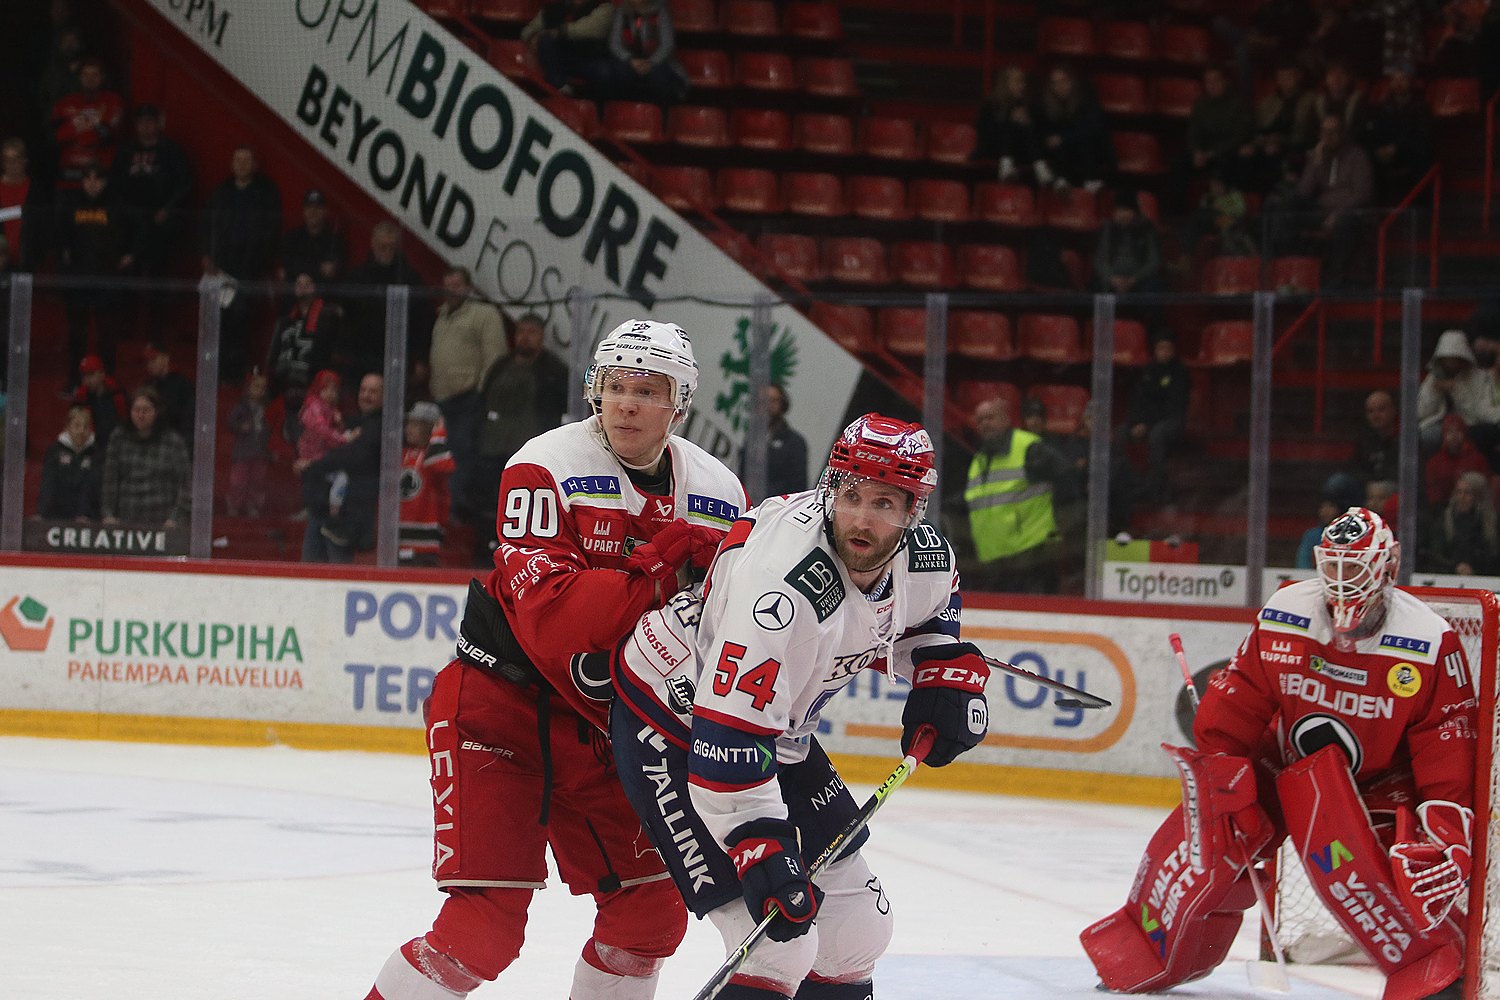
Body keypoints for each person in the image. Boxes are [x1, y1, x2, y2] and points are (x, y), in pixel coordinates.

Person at [361, 320, 747, 1000]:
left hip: (602, 726)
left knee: (650, 917)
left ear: (679, 403)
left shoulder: (719, 491)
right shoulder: (545, 465)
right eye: (613, 385)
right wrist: (656, 574)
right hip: (497, 707)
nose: (625, 402)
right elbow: (552, 621)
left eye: (647, 389)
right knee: (483, 929)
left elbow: (737, 624)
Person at [602, 413, 987, 1000]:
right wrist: (760, 846)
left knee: (856, 930)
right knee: (779, 946)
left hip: (777, 735)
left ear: (915, 512)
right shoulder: (782, 589)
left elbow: (927, 619)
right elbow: (724, 744)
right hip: (676, 724)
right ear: (830, 488)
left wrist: (942, 668)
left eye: (885, 503)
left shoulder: (926, 559)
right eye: (851, 495)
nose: (862, 518)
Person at [1082, 507, 1475, 1000]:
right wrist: (1221, 762)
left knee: (1374, 875)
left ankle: (1437, 970)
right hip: (1284, 761)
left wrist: (1443, 831)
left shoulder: (1428, 640)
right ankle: (1148, 947)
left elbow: (1447, 745)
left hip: (1375, 782)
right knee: (1210, 841)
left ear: (1387, 566)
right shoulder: (1289, 608)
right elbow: (1242, 695)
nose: (1340, 579)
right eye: (1332, 565)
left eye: (1353, 567)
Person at [473, 312, 570, 562]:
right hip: (494, 448)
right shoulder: (501, 365)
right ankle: (487, 553)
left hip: (532, 453)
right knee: (490, 503)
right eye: (520, 332)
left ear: (542, 336)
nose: (524, 338)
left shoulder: (554, 370)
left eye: (531, 332)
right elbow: (483, 402)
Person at [429, 266, 507, 522]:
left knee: (463, 454)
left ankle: (458, 509)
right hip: (442, 401)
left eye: (457, 284)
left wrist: (482, 394)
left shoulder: (483, 314)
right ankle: (441, 508)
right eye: (447, 284)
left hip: (469, 399)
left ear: (469, 287)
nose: (451, 289)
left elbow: (495, 357)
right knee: (441, 455)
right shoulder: (442, 315)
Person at [964, 394, 1063, 593]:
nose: (984, 424)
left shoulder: (1030, 448)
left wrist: (1062, 528)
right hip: (996, 561)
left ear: (1006, 419)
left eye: (989, 418)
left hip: (1032, 557)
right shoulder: (980, 459)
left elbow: (1067, 481)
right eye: (980, 420)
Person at [201, 145, 282, 382]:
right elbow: (207, 225)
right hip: (221, 269)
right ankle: (217, 372)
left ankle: (236, 374)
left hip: (250, 270)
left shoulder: (265, 192)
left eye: (247, 160)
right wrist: (206, 254)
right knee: (219, 322)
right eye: (238, 160)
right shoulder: (221, 192)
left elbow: (271, 230)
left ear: (255, 164)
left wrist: (264, 263)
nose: (242, 164)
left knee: (242, 322)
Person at [1268, 113, 1374, 288]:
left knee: (1344, 223)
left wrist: (1338, 214)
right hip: (1321, 210)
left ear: (1342, 133)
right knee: (1286, 207)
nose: (1328, 137)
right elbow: (1303, 192)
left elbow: (1362, 193)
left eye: (1333, 132)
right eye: (1324, 132)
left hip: (1350, 213)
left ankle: (1334, 280)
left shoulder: (1357, 156)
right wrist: (1314, 163)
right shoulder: (1319, 156)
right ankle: (1286, 268)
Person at [56, 161, 139, 378]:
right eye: (88, 179)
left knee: (107, 334)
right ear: (82, 181)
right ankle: (74, 377)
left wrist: (129, 256)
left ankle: (108, 377)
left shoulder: (117, 205)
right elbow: (60, 238)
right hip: (78, 279)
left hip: (107, 279)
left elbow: (135, 233)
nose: (93, 184)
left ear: (104, 181)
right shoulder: (70, 205)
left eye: (97, 179)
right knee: (76, 334)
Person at [299, 372, 383, 562]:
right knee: (309, 573)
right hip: (322, 510)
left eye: (373, 391)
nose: (366, 395)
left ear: (385, 396)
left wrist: (313, 465)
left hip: (349, 519)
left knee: (339, 573)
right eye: (363, 390)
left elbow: (353, 457)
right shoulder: (349, 421)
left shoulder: (380, 427)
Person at [110, 104, 192, 286]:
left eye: (149, 122)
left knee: (156, 275)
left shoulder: (171, 151)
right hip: (131, 223)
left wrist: (168, 210)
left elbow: (184, 184)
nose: (145, 127)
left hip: (159, 224)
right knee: (128, 274)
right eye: (141, 122)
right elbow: (114, 184)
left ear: (158, 124)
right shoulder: (126, 151)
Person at [343, 220, 427, 376]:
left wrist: (420, 358)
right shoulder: (357, 278)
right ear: (373, 244)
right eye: (383, 246)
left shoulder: (409, 278)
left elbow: (421, 322)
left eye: (392, 247)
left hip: (398, 358)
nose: (387, 251)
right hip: (361, 357)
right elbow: (347, 317)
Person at [266, 272, 342, 445]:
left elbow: (334, 354)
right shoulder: (286, 319)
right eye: (298, 282)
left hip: (317, 392)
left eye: (308, 282)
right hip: (290, 392)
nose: (302, 286)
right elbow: (275, 355)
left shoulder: (329, 316)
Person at [100, 385, 191, 527]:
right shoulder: (118, 437)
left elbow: (185, 485)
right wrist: (108, 514)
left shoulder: (173, 442)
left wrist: (175, 519)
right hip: (126, 521)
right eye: (136, 410)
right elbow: (110, 480)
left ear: (156, 412)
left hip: (163, 522)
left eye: (146, 410)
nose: (141, 415)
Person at [1120, 332, 1191, 503]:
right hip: (1145, 421)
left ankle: (1153, 489)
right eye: (1161, 348)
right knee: (1120, 433)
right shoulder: (1147, 371)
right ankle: (1126, 484)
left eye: (1168, 349)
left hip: (1171, 421)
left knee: (1157, 435)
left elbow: (1173, 406)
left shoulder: (1180, 373)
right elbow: (1137, 401)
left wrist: (1147, 424)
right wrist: (1135, 423)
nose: (1164, 353)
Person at [1034, 63, 1112, 192]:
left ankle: (1089, 180)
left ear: (1072, 81)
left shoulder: (1086, 101)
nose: (1059, 86)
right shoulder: (1047, 106)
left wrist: (1063, 139)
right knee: (1055, 141)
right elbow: (1043, 131)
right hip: (1063, 154)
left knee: (1078, 140)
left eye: (1063, 81)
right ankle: (1061, 180)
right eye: (1055, 83)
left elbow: (1092, 129)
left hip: (1089, 153)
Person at [50, 56, 124, 189]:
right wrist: (94, 126)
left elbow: (107, 136)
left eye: (95, 74)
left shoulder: (112, 101)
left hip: (100, 179)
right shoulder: (65, 103)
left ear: (102, 77)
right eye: (85, 74)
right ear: (79, 77)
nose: (90, 79)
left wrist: (75, 129)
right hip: (68, 177)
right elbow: (56, 138)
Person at [397, 401, 454, 567]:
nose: (409, 428)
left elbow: (443, 467)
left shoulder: (437, 457)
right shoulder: (401, 454)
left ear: (430, 427)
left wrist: (438, 435)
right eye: (409, 423)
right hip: (399, 542)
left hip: (426, 546)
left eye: (416, 424)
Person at [602, 0, 689, 105]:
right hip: (630, 60)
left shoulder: (660, 11)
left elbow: (667, 44)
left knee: (662, 79)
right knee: (618, 74)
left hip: (656, 60)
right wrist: (630, 60)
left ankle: (659, 115)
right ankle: (625, 111)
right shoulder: (622, 11)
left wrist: (651, 62)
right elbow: (614, 43)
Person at [521, 0, 614, 94]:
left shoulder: (604, 6)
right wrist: (532, 37)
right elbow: (527, 31)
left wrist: (559, 32)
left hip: (588, 58)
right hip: (557, 58)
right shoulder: (553, 8)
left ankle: (598, 106)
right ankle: (559, 88)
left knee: (605, 72)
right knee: (545, 40)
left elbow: (590, 29)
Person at [739, 382, 809, 501]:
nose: (767, 405)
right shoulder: (753, 435)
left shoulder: (794, 442)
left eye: (772, 400)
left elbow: (797, 486)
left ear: (782, 404)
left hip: (773, 508)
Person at [1423, 470, 1500, 576]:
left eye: (1467, 493)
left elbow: (1493, 555)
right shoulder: (1444, 520)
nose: (1461, 497)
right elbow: (1435, 552)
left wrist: (1474, 568)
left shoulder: (1491, 524)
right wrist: (1455, 566)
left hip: (1483, 577)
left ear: (1478, 496)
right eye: (1459, 492)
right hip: (1446, 576)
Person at [974, 64, 1041, 182]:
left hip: (1019, 150)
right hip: (993, 148)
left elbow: (1034, 135)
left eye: (1023, 82)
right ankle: (1036, 166)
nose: (1022, 86)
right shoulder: (990, 104)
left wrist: (1027, 122)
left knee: (1023, 126)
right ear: (1005, 84)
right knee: (1010, 125)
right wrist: (1009, 120)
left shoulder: (1026, 105)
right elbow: (985, 133)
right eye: (1017, 82)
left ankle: (1039, 166)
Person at [1092, 189, 1165, 296]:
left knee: (1153, 287)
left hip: (1139, 279)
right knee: (1095, 287)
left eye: (1126, 210)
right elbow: (1100, 260)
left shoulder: (1146, 228)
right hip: (1112, 278)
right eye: (1119, 211)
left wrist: (1134, 279)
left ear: (1135, 212)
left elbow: (1154, 261)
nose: (1122, 215)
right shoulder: (1107, 229)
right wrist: (1112, 279)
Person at [37, 404, 102, 521]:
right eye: (77, 426)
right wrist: (42, 512)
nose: (81, 431)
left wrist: (84, 513)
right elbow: (48, 483)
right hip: (56, 516)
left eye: (86, 426)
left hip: (87, 518)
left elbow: (91, 487)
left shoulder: (96, 453)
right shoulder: (55, 451)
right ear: (67, 427)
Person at [226, 370, 272, 518]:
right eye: (256, 386)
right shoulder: (241, 407)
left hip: (260, 450)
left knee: (257, 480)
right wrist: (240, 427)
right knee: (238, 481)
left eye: (262, 387)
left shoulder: (267, 408)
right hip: (242, 450)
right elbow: (231, 422)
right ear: (249, 388)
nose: (259, 391)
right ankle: (234, 504)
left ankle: (253, 505)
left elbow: (272, 425)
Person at [279, 188, 345, 286]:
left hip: (323, 296)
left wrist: (300, 267)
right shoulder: (292, 237)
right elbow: (283, 272)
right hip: (295, 295)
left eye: (317, 207)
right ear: (304, 211)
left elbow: (331, 272)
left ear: (325, 212)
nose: (313, 212)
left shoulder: (334, 240)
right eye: (309, 207)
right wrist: (318, 268)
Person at [1424, 413, 1489, 509]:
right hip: (1444, 510)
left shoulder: (1478, 459)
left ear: (1464, 433)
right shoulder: (1434, 463)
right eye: (1449, 432)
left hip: (1475, 509)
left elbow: (1485, 488)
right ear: (1443, 435)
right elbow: (1432, 492)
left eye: (1458, 431)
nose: (1454, 436)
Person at [142, 341, 195, 446]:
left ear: (166, 358)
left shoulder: (182, 384)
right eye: (148, 361)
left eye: (153, 359)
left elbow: (188, 420)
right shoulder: (147, 385)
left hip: (174, 446)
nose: (150, 364)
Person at [72, 354, 126, 442]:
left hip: (117, 441)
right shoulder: (81, 399)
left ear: (102, 374)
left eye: (91, 374)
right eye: (84, 376)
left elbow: (124, 418)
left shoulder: (116, 392)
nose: (87, 380)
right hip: (92, 443)